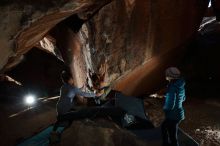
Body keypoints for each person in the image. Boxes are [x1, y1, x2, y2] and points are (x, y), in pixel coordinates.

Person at [161, 67, 186, 146]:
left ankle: (167, 144)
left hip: (173, 115)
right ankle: (166, 143)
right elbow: (183, 98)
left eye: (167, 74)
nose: (166, 76)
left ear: (171, 76)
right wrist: (167, 96)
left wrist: (165, 108)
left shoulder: (171, 86)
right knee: (164, 127)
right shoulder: (180, 85)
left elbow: (170, 104)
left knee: (172, 136)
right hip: (179, 113)